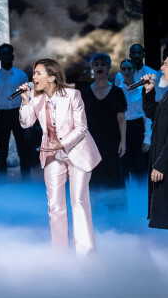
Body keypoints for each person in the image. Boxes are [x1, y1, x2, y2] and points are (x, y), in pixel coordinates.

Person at [19, 59, 101, 254]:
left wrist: (62, 143)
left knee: (78, 201)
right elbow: (25, 123)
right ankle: (60, 254)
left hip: (76, 151)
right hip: (52, 154)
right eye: (33, 73)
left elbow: (81, 128)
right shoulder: (37, 99)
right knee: (54, 204)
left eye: (38, 73)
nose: (33, 77)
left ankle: (85, 254)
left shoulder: (73, 95)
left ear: (52, 77)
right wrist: (25, 100)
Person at [81, 53, 127, 210]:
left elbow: (121, 118)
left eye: (103, 64)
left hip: (112, 142)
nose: (99, 67)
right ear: (92, 68)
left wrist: (123, 141)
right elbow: (81, 121)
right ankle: (92, 215)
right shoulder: (84, 93)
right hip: (92, 142)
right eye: (96, 64)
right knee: (93, 178)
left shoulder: (117, 92)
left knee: (113, 176)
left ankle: (116, 215)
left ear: (108, 68)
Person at [0, 43, 31, 179]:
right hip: (2, 116)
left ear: (12, 56)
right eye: (3, 54)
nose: (6, 56)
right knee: (2, 152)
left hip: (18, 114)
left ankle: (27, 182)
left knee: (23, 151)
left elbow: (27, 101)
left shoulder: (21, 76)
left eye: (8, 54)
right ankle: (1, 184)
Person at [142, 56, 168, 229]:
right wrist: (149, 92)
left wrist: (161, 164)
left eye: (166, 64)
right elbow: (155, 116)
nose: (161, 67)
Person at [118, 59, 151, 181]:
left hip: (138, 128)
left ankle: (141, 195)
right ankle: (126, 196)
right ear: (120, 71)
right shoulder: (117, 90)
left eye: (129, 68)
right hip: (122, 128)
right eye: (124, 69)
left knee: (140, 165)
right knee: (124, 165)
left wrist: (147, 137)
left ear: (134, 70)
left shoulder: (142, 88)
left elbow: (147, 115)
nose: (126, 71)